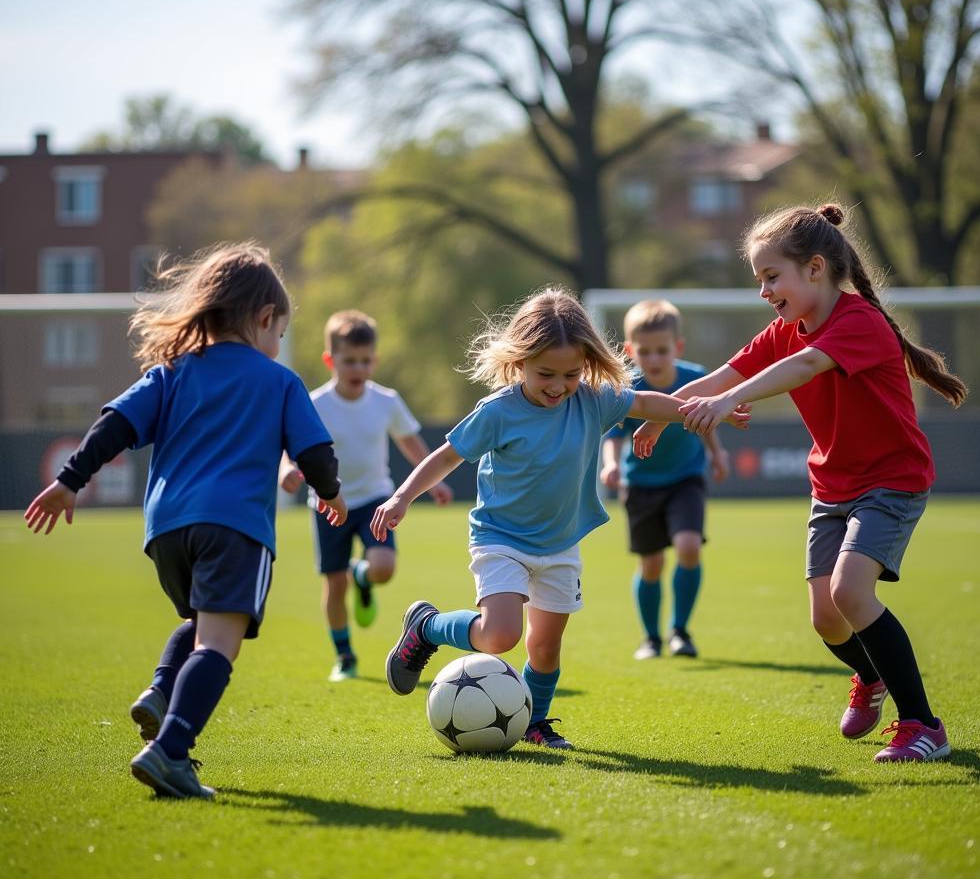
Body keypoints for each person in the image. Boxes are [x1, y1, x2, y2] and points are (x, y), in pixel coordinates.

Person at [634, 204, 967, 763]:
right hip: (832, 487)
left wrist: (727, 401)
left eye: (771, 277)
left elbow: (805, 367)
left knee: (851, 592)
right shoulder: (783, 329)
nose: (764, 291)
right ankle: (872, 677)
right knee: (826, 617)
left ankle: (922, 724)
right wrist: (664, 412)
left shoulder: (857, 320)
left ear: (815, 268)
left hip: (891, 480)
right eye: (759, 279)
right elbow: (722, 375)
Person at [24, 243, 348, 799]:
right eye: (278, 330)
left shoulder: (172, 371)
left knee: (202, 624)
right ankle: (171, 750)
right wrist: (332, 493)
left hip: (167, 529)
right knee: (219, 643)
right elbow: (315, 452)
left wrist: (69, 481)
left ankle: (159, 692)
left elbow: (115, 425)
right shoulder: (279, 381)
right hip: (236, 526)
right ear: (265, 319)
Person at [369, 286, 749, 749]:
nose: (557, 385)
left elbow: (649, 403)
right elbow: (447, 456)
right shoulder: (498, 411)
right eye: (545, 373)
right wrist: (403, 496)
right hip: (501, 537)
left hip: (561, 542)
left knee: (545, 648)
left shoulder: (593, 400)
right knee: (500, 635)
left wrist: (710, 411)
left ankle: (535, 721)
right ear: (519, 360)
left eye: (571, 374)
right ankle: (427, 627)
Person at [280, 310, 453, 682]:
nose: (358, 368)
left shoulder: (386, 401)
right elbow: (290, 446)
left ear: (374, 359)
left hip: (376, 498)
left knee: (383, 568)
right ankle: (344, 656)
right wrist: (287, 471)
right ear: (331, 360)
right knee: (334, 583)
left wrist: (433, 481)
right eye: (349, 361)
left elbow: (409, 440)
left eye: (365, 360)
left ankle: (363, 575)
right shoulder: (315, 403)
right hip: (328, 505)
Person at [600, 299, 730, 661]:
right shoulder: (626, 387)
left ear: (678, 347)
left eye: (662, 350)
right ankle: (651, 639)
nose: (654, 359)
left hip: (686, 478)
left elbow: (706, 421)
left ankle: (680, 632)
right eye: (644, 351)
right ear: (629, 351)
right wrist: (610, 464)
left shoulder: (695, 378)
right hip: (640, 484)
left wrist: (717, 454)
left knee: (689, 547)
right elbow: (612, 435)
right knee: (651, 564)